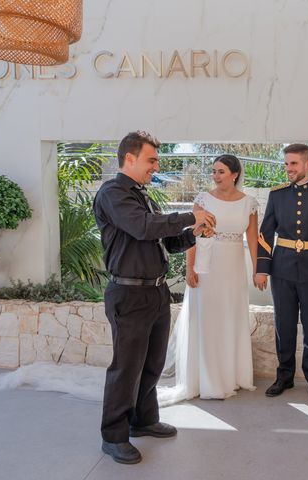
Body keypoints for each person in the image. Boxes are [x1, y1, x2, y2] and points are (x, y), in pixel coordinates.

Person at [93, 131, 216, 464]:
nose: (155, 167)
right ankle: (113, 436)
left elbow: (166, 242)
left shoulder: (144, 196)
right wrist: (191, 216)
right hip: (129, 293)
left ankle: (143, 420)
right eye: (151, 160)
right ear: (129, 159)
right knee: (126, 367)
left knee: (152, 364)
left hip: (156, 292)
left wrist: (193, 233)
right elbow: (144, 228)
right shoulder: (113, 194)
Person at [159, 154, 258, 404]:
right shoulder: (203, 200)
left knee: (230, 316)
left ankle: (232, 375)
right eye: (214, 171)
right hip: (207, 266)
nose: (215, 175)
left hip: (234, 267)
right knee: (208, 317)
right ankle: (206, 379)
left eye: (221, 171)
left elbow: (254, 240)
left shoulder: (250, 203)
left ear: (235, 174)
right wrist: (189, 269)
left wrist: (258, 269)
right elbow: (193, 236)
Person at [254, 143, 308, 402]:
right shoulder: (277, 195)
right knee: (284, 326)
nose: (288, 169)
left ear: (307, 164)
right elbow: (265, 233)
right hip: (282, 269)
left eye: (293, 163)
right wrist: (262, 269)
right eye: (286, 164)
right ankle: (284, 377)